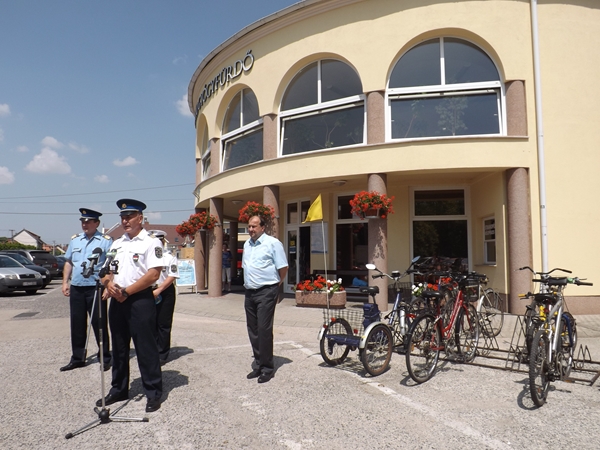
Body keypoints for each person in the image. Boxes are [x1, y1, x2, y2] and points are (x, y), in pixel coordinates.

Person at [97, 199, 164, 413]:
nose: (125, 221)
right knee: (118, 347)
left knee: (145, 347)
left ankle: (153, 392)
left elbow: (153, 274)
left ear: (140, 218)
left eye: (129, 217)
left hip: (139, 300)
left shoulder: (151, 242)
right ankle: (119, 388)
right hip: (117, 300)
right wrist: (108, 283)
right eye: (122, 217)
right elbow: (105, 271)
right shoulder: (117, 243)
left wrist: (127, 291)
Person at [60, 208, 113, 372]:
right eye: (83, 221)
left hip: (96, 287)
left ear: (96, 223)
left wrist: (108, 286)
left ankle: (104, 357)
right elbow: (69, 262)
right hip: (77, 287)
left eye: (88, 221)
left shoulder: (105, 241)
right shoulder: (75, 240)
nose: (85, 224)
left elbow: (110, 265)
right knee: (77, 324)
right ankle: (78, 358)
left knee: (99, 324)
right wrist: (65, 282)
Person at [242, 215, 288, 383]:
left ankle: (267, 368)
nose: (251, 229)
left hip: (266, 291)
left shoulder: (273, 243)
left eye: (254, 226)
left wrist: (275, 286)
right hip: (250, 292)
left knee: (263, 329)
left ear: (263, 227)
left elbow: (283, 268)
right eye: (249, 226)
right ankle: (259, 364)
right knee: (253, 329)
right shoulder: (247, 244)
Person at [149, 230, 179, 365]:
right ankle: (151, 350)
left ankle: (162, 353)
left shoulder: (169, 257)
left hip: (165, 291)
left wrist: (159, 290)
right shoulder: (146, 256)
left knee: (163, 323)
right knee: (149, 322)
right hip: (148, 290)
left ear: (162, 242)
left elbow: (172, 275)